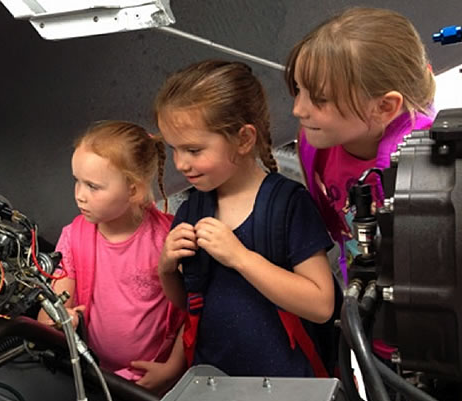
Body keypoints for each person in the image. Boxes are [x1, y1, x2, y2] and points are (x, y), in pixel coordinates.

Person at [155, 59, 335, 377]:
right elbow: (190, 301)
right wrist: (167, 270)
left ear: (244, 139)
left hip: (286, 384)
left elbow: (321, 306)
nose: (180, 163)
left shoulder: (287, 205)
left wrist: (240, 257)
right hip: (215, 381)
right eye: (174, 149)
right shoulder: (190, 210)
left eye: (194, 150)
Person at [285, 7, 436, 282]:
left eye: (319, 99)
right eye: (298, 89)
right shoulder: (319, 140)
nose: (298, 109)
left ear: (384, 106)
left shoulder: (430, 169)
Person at [38, 120, 185, 394]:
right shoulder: (74, 237)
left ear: (133, 190)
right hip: (97, 376)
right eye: (77, 181)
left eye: (93, 186)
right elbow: (51, 310)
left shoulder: (169, 239)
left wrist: (173, 368)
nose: (80, 195)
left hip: (156, 381)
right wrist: (60, 319)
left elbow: (194, 309)